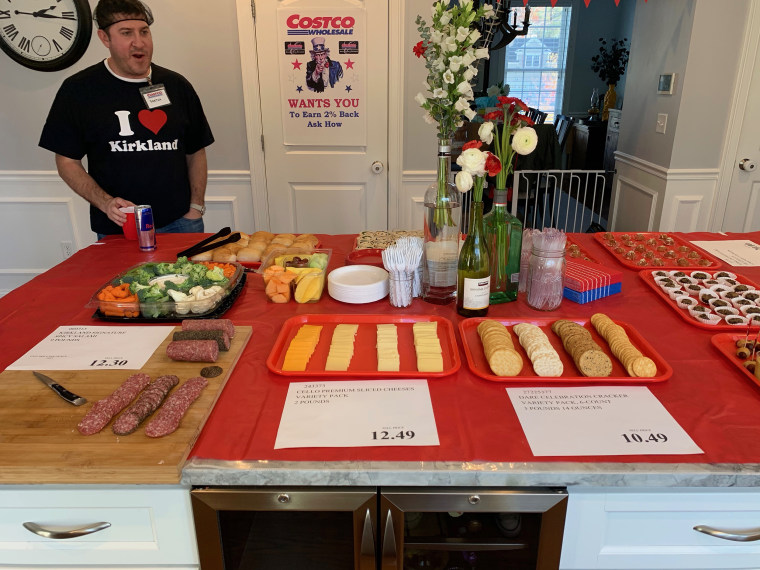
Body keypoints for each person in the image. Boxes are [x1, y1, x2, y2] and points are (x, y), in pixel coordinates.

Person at [39, 0, 214, 238]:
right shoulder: (78, 90)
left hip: (181, 223)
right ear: (104, 38)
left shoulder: (176, 86)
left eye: (144, 32)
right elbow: (67, 161)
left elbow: (195, 151)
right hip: (119, 228)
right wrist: (105, 203)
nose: (139, 42)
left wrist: (195, 208)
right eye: (126, 33)